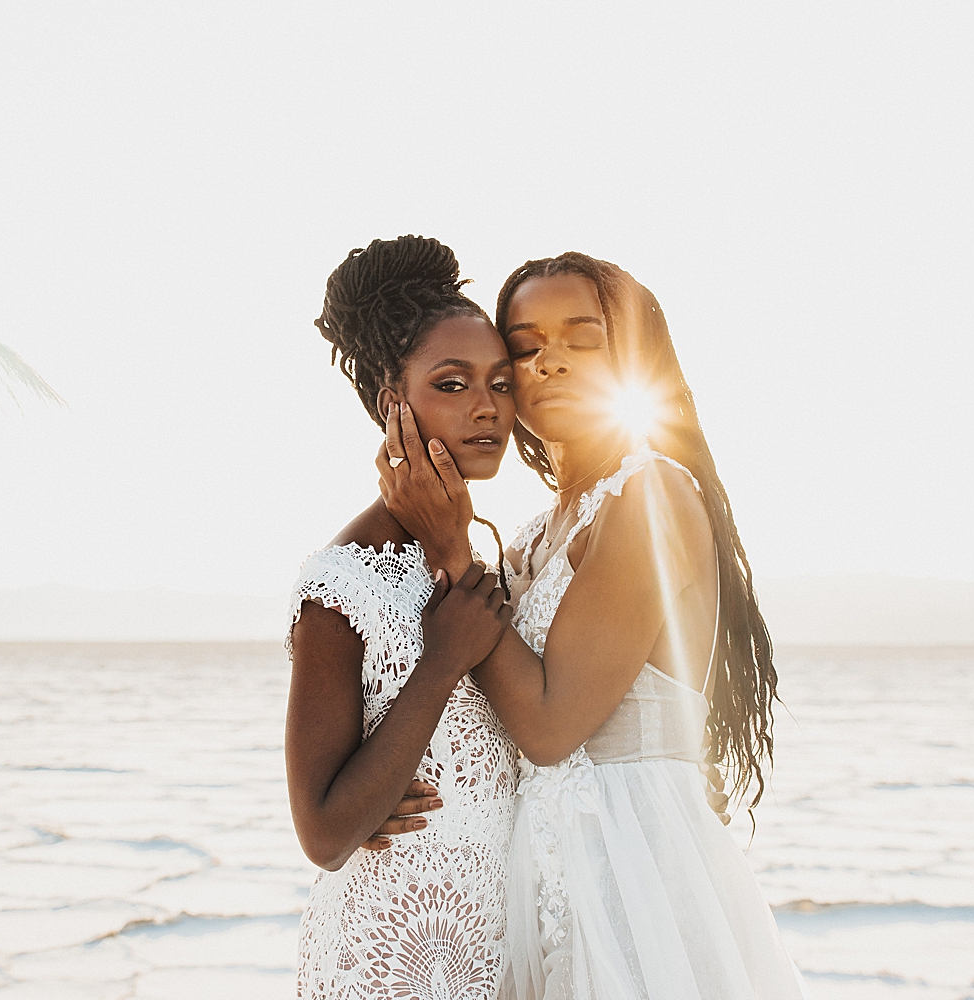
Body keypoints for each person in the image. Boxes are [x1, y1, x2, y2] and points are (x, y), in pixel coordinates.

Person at [379, 252, 809, 999]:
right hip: (538, 870)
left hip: (632, 871)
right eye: (526, 347)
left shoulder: (651, 497)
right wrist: (394, 787)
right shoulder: (532, 538)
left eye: (583, 339)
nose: (551, 362)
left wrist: (450, 548)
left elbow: (549, 727)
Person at [286, 235, 519, 997]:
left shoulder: (487, 560)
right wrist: (441, 662)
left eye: (501, 383)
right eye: (452, 383)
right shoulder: (344, 581)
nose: (487, 406)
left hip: (490, 948)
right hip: (388, 956)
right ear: (395, 402)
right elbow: (325, 834)